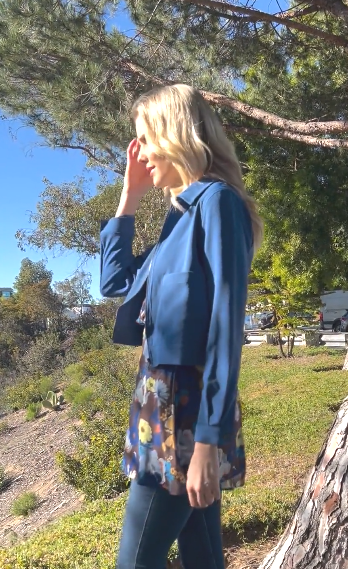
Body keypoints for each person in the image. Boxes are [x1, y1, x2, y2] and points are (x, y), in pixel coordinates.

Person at [100, 84, 263, 569]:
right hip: (158, 407)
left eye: (145, 140)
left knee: (135, 560)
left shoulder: (217, 204)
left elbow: (225, 327)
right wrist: (128, 198)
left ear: (174, 134)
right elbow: (115, 283)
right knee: (202, 555)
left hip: (188, 419)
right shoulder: (177, 220)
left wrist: (209, 441)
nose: (141, 154)